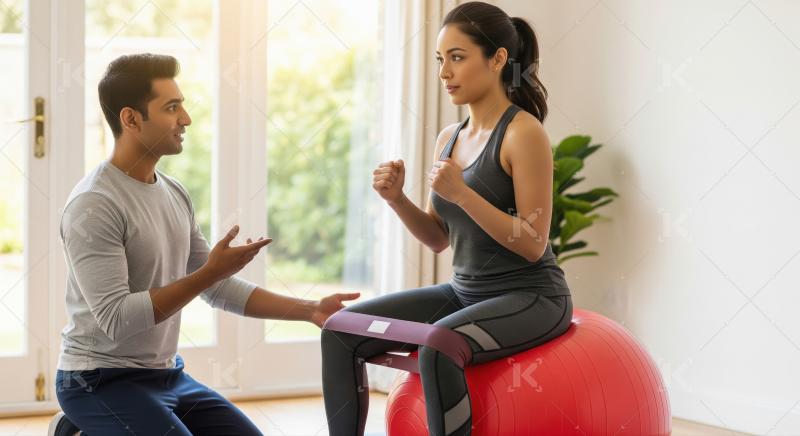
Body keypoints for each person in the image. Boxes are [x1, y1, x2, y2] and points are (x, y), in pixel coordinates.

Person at [53, 53, 359, 435]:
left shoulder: (173, 192)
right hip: (97, 381)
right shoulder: (94, 204)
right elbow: (117, 320)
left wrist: (310, 309)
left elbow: (215, 286)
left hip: (166, 377)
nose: (186, 119)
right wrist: (208, 273)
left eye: (182, 106)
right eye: (171, 108)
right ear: (131, 119)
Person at [320, 2, 573, 435]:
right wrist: (397, 199)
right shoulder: (449, 138)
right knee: (340, 330)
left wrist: (464, 193)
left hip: (531, 297)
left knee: (439, 345)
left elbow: (533, 242)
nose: (444, 73)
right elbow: (438, 238)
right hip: (464, 293)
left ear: (496, 60)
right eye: (441, 60)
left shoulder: (523, 133)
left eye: (457, 58)